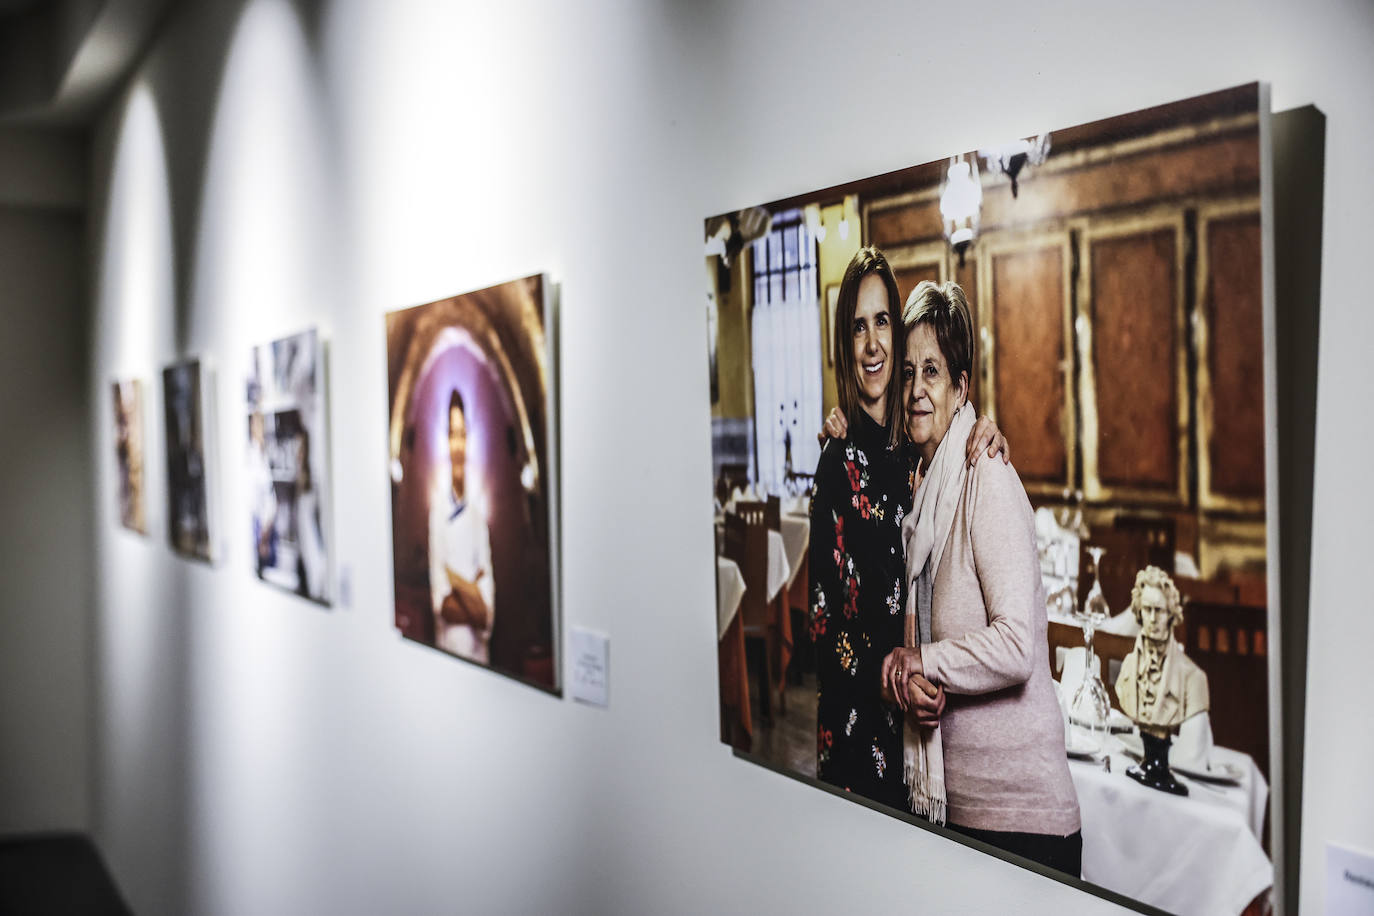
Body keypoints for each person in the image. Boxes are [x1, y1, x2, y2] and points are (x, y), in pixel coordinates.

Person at [881, 280, 1081, 877]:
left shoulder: (984, 475)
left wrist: (925, 664)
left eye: (934, 372)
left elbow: (1019, 645)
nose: (917, 389)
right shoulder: (922, 499)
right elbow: (927, 652)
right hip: (965, 815)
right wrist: (912, 684)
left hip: (1023, 824)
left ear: (962, 386)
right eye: (910, 371)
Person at [807, 250, 1006, 809]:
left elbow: (955, 422)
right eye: (857, 327)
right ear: (846, 345)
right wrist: (893, 679)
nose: (872, 343)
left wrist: (988, 427)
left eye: (882, 322)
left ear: (897, 330)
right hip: (854, 732)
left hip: (911, 741)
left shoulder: (911, 453)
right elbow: (824, 629)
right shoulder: (836, 459)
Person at [429, 389, 495, 663]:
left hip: (481, 655)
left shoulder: (478, 514)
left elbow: (486, 612)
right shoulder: (438, 513)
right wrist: (473, 589)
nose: (458, 445)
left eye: (462, 435)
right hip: (451, 650)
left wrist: (457, 581)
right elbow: (443, 604)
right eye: (452, 435)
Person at [1116, 566, 1208, 733]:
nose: (1152, 619)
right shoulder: (1128, 666)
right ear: (1139, 611)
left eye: (1159, 611)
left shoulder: (1194, 679)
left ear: (1170, 614)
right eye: (1147, 609)